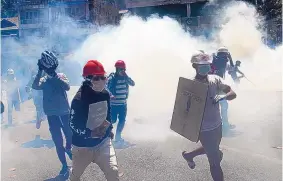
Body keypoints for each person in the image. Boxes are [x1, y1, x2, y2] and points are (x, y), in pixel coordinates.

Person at [182, 51, 237, 181]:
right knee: (215, 163)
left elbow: (232, 93)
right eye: (202, 65)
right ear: (194, 66)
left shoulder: (215, 80)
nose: (205, 68)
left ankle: (189, 155)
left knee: (213, 149)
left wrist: (223, 96)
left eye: (207, 65)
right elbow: (183, 109)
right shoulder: (190, 85)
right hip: (203, 129)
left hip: (217, 125)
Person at [69, 60, 119, 181]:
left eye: (103, 77)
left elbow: (107, 113)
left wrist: (110, 128)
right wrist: (89, 133)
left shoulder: (105, 94)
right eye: (97, 78)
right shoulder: (79, 99)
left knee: (113, 171)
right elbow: (72, 124)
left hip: (102, 142)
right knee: (75, 176)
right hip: (82, 146)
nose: (102, 81)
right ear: (87, 80)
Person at [32, 50, 72, 176]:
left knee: (70, 136)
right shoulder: (43, 80)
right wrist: (39, 71)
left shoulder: (61, 75)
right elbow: (35, 86)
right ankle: (64, 165)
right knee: (57, 141)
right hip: (52, 115)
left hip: (64, 113)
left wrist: (54, 76)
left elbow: (67, 87)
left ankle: (68, 148)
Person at [107, 60, 135, 143]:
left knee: (122, 120)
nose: (122, 71)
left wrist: (126, 76)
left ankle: (118, 136)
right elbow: (106, 87)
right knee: (113, 120)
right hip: (113, 104)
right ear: (117, 69)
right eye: (121, 69)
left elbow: (133, 84)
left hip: (123, 104)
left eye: (124, 70)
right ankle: (107, 133)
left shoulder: (125, 78)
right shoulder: (112, 78)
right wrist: (110, 95)